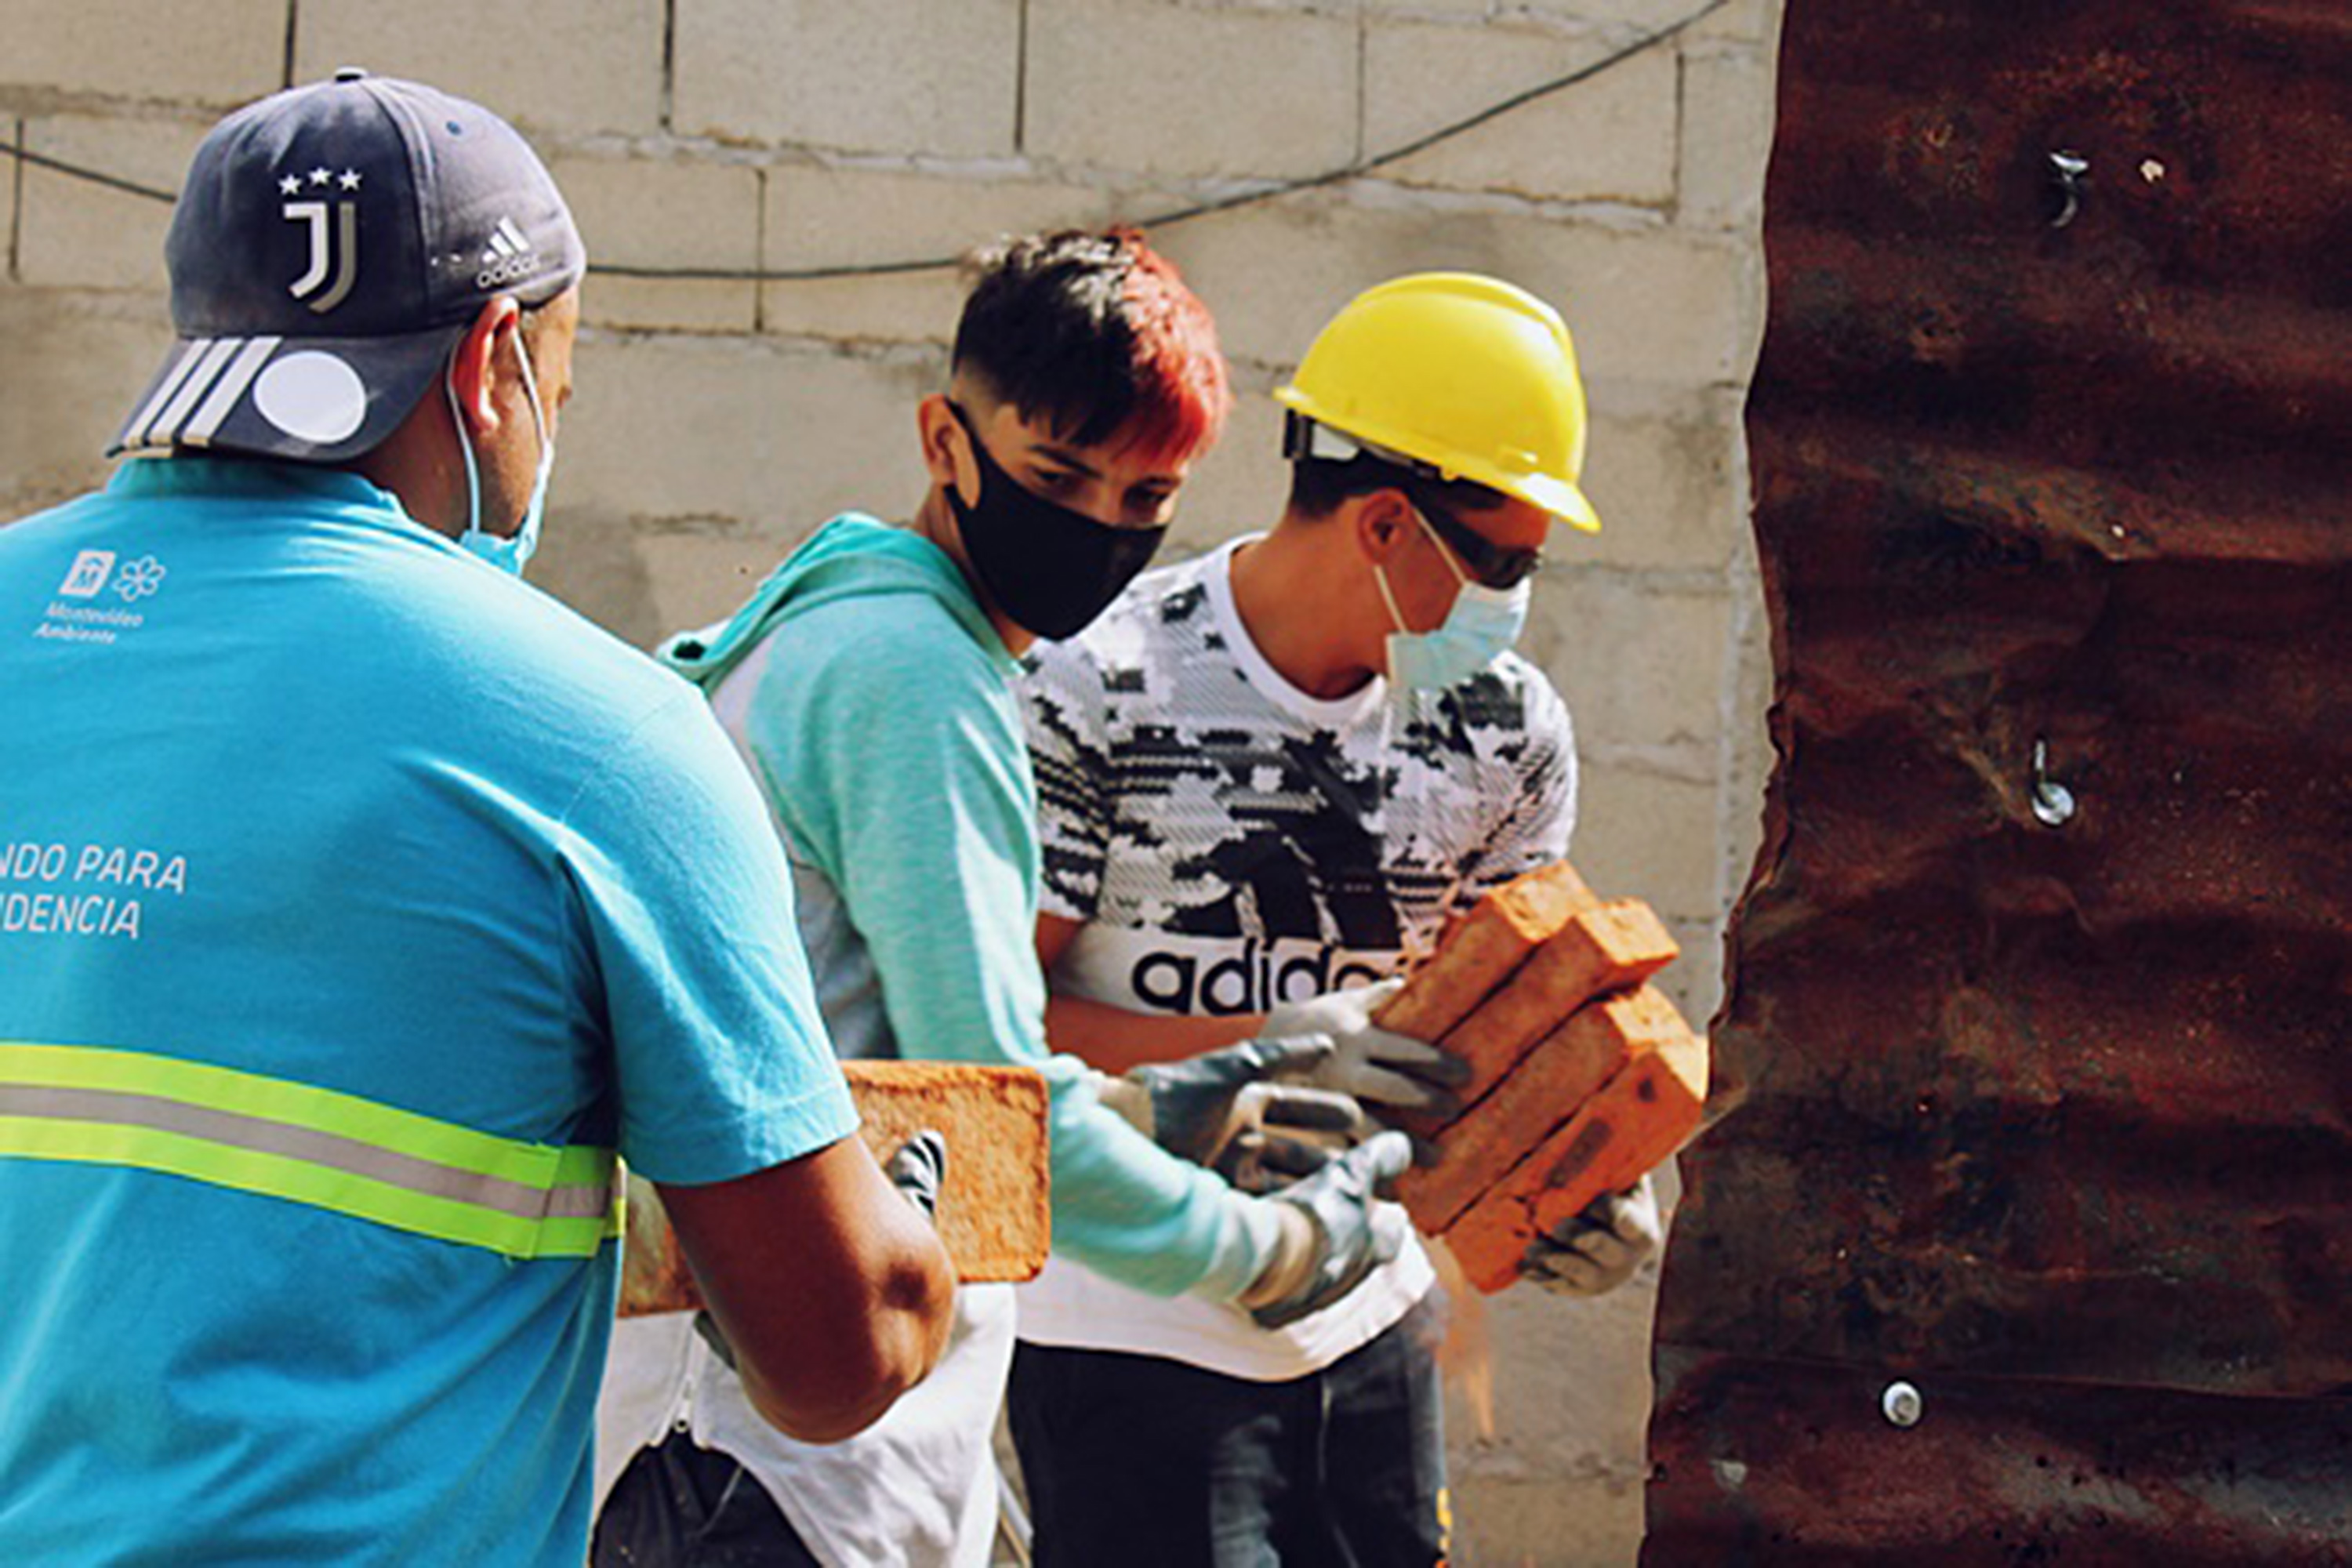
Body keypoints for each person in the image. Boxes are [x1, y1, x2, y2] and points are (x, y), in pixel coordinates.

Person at [0, 73, 953, 1567]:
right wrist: (906, 1231)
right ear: (497, 361)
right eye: (557, 391)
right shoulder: (600, 739)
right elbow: (842, 1359)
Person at [593, 229, 1414, 1568]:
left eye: (1146, 497)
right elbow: (995, 1124)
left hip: (701, 1425)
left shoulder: (820, 622)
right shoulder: (917, 679)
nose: (1097, 525)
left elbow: (852, 1032)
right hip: (781, 1456)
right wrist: (1268, 1252)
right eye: (1056, 473)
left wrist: (1163, 1101)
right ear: (944, 441)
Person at [1010, 272, 1667, 1566]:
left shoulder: (1504, 729)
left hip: (1371, 1327)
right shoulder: (1101, 681)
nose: (1515, 602)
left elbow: (1511, 1021)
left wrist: (1584, 1177)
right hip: (1132, 1328)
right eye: (1505, 563)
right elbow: (998, 1029)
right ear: (1386, 524)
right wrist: (1272, 1044)